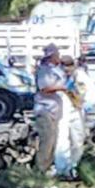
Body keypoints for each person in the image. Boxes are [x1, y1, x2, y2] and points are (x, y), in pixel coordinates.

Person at [34, 44, 67, 174]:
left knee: (53, 141)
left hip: (54, 111)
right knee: (47, 141)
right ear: (51, 56)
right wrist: (61, 88)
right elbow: (44, 88)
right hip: (44, 109)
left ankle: (48, 168)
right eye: (57, 54)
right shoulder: (44, 70)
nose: (59, 56)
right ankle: (40, 170)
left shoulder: (57, 70)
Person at [54, 55, 86, 177]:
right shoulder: (56, 77)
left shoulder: (79, 76)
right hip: (61, 109)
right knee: (62, 140)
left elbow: (85, 93)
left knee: (78, 140)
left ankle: (75, 166)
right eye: (64, 66)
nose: (66, 69)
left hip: (76, 108)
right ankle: (62, 169)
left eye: (69, 66)